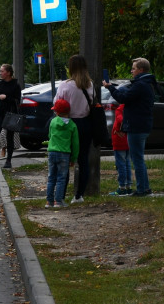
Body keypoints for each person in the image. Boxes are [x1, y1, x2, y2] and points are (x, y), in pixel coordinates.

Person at [104, 58, 156, 197]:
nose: (132, 71)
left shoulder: (140, 85)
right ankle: (145, 188)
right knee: (139, 158)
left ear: (141, 70)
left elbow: (123, 98)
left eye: (134, 68)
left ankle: (141, 190)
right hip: (143, 125)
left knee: (137, 159)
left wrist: (110, 88)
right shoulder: (148, 84)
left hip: (136, 126)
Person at [55, 54, 96, 204]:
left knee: (65, 159)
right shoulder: (90, 85)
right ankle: (79, 195)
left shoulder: (65, 85)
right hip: (85, 124)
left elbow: (57, 104)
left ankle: (61, 195)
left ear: (71, 68)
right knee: (83, 159)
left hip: (68, 124)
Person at [46, 99, 79, 208]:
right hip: (64, 154)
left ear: (57, 112)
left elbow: (49, 136)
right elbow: (75, 143)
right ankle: (58, 201)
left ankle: (49, 201)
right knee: (61, 178)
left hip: (52, 152)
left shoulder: (53, 122)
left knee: (51, 177)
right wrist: (73, 158)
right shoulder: (72, 125)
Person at [0, 64, 22, 169]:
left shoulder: (15, 85)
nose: (0, 73)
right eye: (0, 71)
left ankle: (8, 160)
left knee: (9, 136)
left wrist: (6, 97)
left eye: (2, 71)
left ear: (8, 73)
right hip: (0, 113)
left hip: (10, 113)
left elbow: (17, 100)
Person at [108, 102, 133, 196]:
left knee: (121, 165)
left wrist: (119, 129)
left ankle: (122, 187)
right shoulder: (132, 108)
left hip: (119, 141)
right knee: (127, 164)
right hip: (128, 140)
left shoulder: (120, 109)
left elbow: (120, 119)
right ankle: (129, 186)